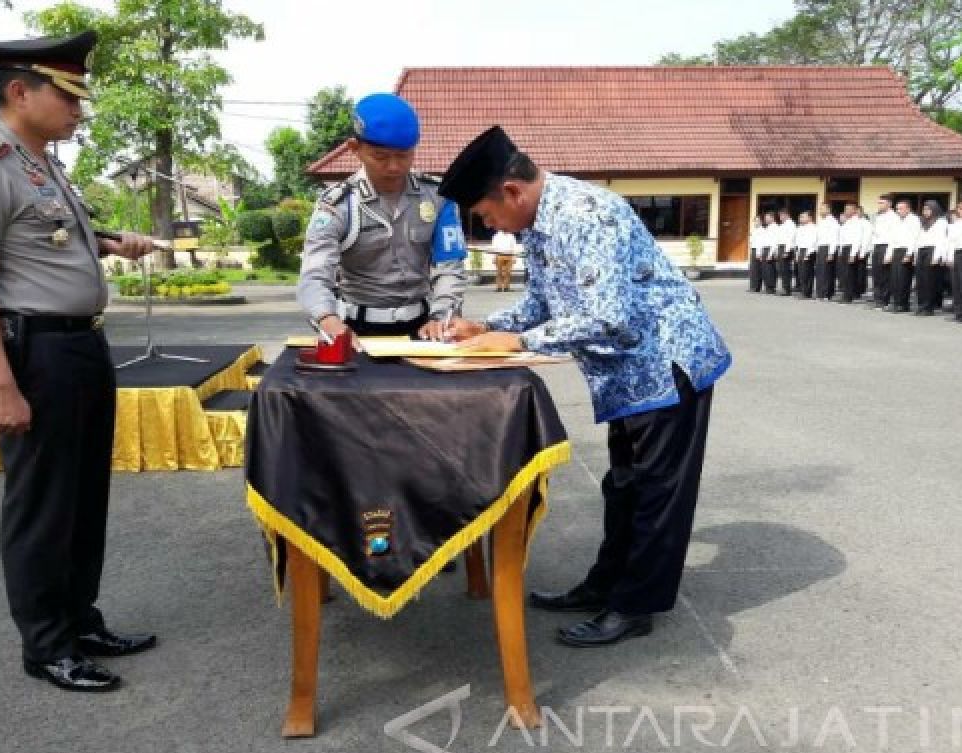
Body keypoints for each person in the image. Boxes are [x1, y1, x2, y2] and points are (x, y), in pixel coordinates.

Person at [438, 127, 732, 648]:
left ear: (511, 192)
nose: (488, 226)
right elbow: (545, 303)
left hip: (665, 363)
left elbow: (606, 316)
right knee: (623, 485)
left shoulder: (585, 215)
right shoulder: (540, 224)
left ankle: (634, 604)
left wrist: (520, 341)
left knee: (656, 492)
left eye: (485, 216)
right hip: (627, 371)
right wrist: (486, 328)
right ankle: (604, 585)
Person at [0, 31, 157, 692]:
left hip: (81, 346)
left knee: (85, 495)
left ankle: (79, 619)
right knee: (43, 504)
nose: (79, 110)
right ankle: (46, 643)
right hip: (36, 355)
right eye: (67, 95)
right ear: (18, 91)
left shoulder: (44, 165)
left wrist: (116, 245)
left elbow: (57, 239)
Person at [297, 93, 466, 340]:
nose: (394, 167)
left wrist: (441, 317)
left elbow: (450, 266)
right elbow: (315, 274)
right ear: (355, 149)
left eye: (404, 155)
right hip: (356, 330)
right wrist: (328, 319)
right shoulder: (337, 205)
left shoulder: (439, 197)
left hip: (423, 327)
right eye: (381, 156)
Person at [913, 200, 950, 316]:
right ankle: (921, 305)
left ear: (934, 209)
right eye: (924, 209)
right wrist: (915, 255)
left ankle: (928, 307)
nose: (926, 212)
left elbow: (941, 240)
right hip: (921, 250)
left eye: (928, 209)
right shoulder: (923, 222)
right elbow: (918, 239)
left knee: (929, 280)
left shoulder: (941, 222)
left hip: (932, 250)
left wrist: (936, 256)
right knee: (920, 280)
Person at [888, 199, 922, 312]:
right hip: (896, 250)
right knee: (895, 278)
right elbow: (892, 238)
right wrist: (890, 253)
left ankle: (903, 304)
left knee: (904, 279)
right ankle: (896, 302)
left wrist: (909, 254)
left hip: (907, 251)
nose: (898, 211)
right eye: (897, 209)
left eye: (901, 208)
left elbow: (914, 238)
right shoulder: (897, 220)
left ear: (908, 208)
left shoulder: (914, 220)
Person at [870, 195, 898, 309]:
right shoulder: (879, 217)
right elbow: (875, 234)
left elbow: (893, 237)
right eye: (878, 203)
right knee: (876, 274)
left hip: (886, 247)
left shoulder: (894, 217)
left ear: (889, 204)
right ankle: (877, 299)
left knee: (885, 275)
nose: (879, 205)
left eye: (882, 203)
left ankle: (884, 300)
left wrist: (889, 253)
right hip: (877, 246)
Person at [814, 202, 840, 301]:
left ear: (828, 210)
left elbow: (834, 238)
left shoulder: (833, 222)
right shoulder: (821, 221)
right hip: (821, 248)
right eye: (820, 209)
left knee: (827, 272)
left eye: (822, 209)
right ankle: (820, 293)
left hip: (828, 248)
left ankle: (826, 294)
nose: (820, 211)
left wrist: (831, 252)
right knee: (820, 272)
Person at [794, 210, 818, 299]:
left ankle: (807, 292)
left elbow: (813, 241)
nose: (801, 219)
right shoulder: (800, 228)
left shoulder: (813, 228)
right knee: (801, 272)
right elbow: (798, 241)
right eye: (800, 217)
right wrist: (797, 254)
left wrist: (808, 254)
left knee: (807, 272)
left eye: (803, 217)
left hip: (809, 251)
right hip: (801, 250)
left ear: (810, 218)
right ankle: (803, 291)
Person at [775, 207, 797, 296]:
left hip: (786, 248)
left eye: (782, 215)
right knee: (782, 270)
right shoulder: (783, 225)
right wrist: (777, 251)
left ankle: (787, 289)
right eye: (780, 215)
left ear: (787, 215)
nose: (780, 217)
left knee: (785, 270)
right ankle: (784, 287)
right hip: (781, 247)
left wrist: (787, 251)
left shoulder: (791, 224)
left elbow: (790, 239)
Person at [761, 210, 780, 294]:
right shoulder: (768, 227)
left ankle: (771, 287)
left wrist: (771, 253)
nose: (765, 219)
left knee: (770, 270)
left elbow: (774, 241)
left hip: (770, 249)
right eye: (765, 218)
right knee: (765, 269)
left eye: (767, 218)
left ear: (772, 218)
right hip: (765, 248)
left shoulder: (775, 227)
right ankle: (767, 286)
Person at [747, 213, 766, 293]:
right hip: (753, 250)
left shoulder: (762, 231)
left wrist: (759, 253)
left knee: (757, 270)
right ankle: (752, 286)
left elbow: (761, 243)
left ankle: (757, 287)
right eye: (754, 221)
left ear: (761, 222)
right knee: (753, 270)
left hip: (758, 251)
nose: (756, 223)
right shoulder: (754, 230)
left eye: (757, 221)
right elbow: (751, 242)